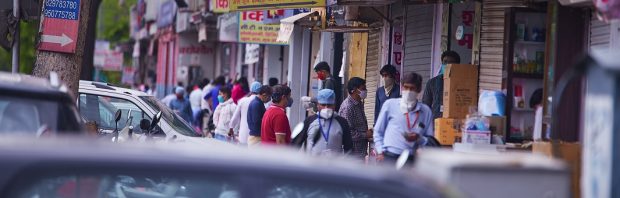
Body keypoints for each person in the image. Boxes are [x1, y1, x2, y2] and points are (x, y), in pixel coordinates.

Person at [374, 72, 434, 166]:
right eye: (406, 87)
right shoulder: (390, 105)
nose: (408, 91)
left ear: (419, 90)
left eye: (412, 88)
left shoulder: (425, 111)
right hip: (389, 156)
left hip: (411, 159)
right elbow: (378, 131)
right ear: (402, 88)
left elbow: (430, 139)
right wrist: (380, 151)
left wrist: (419, 138)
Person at [299, 89, 353, 156]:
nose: (326, 107)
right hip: (311, 165)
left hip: (335, 165)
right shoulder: (309, 121)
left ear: (334, 105)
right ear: (318, 105)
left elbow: (349, 148)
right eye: (323, 105)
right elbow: (296, 144)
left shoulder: (342, 122)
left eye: (329, 105)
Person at [339, 77, 372, 159]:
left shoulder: (358, 103)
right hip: (352, 153)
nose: (365, 91)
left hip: (361, 151)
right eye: (363, 89)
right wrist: (365, 134)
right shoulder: (347, 107)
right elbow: (348, 133)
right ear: (354, 90)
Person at [423, 51, 461, 120]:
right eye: (445, 62)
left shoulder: (463, 82)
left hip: (455, 121)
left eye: (451, 62)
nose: (447, 64)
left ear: (457, 65)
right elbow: (425, 106)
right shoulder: (432, 82)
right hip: (436, 123)